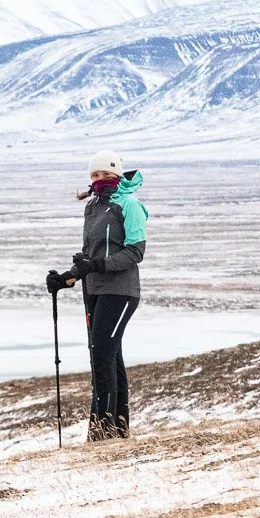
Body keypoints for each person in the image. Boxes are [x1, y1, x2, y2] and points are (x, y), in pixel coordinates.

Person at [45, 149, 147, 440]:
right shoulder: (92, 207)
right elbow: (89, 257)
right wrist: (66, 278)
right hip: (95, 291)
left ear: (116, 175)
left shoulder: (129, 205)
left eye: (104, 174)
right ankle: (117, 429)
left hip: (121, 291)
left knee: (101, 354)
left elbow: (135, 253)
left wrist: (98, 265)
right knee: (109, 356)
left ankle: (99, 432)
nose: (99, 179)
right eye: (94, 174)